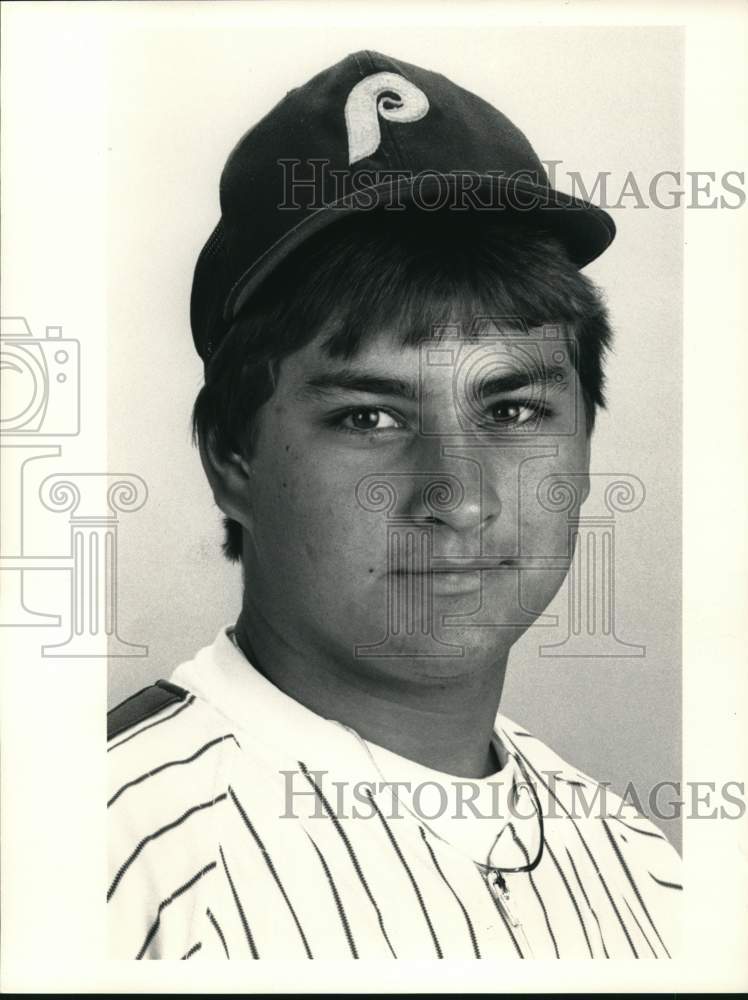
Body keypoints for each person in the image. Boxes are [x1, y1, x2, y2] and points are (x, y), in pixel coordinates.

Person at [107, 49, 681, 960]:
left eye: (514, 409)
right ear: (231, 459)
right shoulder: (95, 863)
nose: (457, 498)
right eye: (368, 415)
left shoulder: (647, 868)